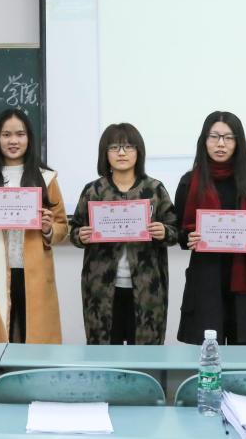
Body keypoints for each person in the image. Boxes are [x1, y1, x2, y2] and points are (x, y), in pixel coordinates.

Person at [0, 108, 68, 343]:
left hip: (35, 272)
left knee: (35, 340)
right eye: (6, 135)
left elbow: (62, 225)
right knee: (0, 340)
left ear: (29, 138)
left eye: (20, 134)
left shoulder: (46, 178)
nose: (13, 141)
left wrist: (48, 228)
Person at [69, 123, 178, 345]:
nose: (121, 153)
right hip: (101, 289)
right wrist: (80, 235)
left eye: (128, 147)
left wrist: (164, 231)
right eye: (114, 147)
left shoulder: (154, 189)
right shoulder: (93, 191)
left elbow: (175, 230)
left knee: (146, 355)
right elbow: (74, 229)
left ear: (139, 152)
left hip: (148, 289)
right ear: (105, 153)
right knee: (105, 354)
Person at [176, 111, 246, 345]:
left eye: (229, 137)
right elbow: (178, 231)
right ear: (204, 140)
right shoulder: (189, 181)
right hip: (206, 280)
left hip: (245, 282)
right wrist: (188, 237)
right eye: (214, 136)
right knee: (208, 354)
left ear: (238, 142)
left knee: (244, 356)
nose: (221, 144)